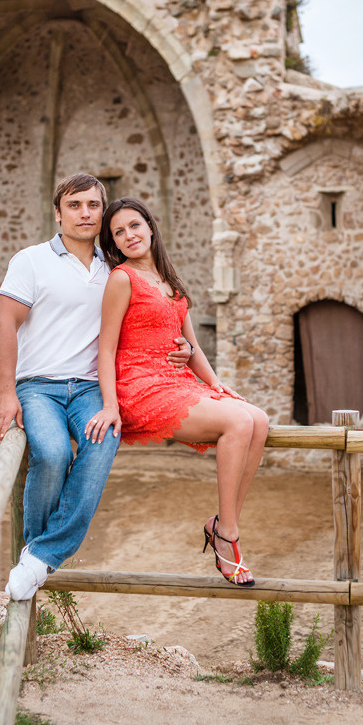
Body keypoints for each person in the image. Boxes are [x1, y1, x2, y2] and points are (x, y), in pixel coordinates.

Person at [0, 175, 191, 600]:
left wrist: (185, 346)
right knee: (52, 452)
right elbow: (5, 324)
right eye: (74, 204)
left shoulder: (115, 269)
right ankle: (39, 553)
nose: (85, 213)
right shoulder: (30, 260)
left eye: (92, 205)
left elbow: (157, 314)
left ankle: (37, 559)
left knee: (105, 439)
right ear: (58, 211)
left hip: (90, 388)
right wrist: (7, 393)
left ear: (102, 212)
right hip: (38, 385)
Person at [85, 197, 269, 586]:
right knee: (238, 421)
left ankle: (222, 523)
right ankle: (228, 537)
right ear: (114, 244)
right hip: (140, 386)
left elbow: (192, 345)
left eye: (134, 225)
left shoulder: (170, 281)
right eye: (118, 232)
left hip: (178, 382)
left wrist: (217, 385)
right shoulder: (122, 279)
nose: (128, 235)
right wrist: (109, 404)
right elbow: (105, 347)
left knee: (258, 418)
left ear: (150, 226)